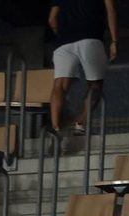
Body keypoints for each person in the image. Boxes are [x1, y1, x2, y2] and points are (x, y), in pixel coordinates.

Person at [49, 0, 119, 135]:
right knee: (95, 85)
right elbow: (111, 9)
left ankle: (55, 128)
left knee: (59, 85)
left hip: (63, 43)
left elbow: (52, 19)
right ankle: (81, 123)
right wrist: (114, 40)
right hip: (90, 38)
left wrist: (64, 34)